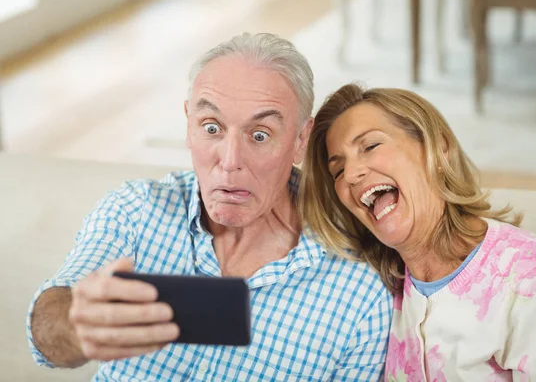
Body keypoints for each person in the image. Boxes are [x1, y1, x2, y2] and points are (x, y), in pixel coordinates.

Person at [27, 34, 393, 381]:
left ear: (300, 141)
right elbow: (48, 326)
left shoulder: (359, 292)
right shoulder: (135, 211)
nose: (230, 161)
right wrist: (77, 326)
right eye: (212, 127)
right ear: (189, 125)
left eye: (260, 135)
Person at [299, 83, 536, 381]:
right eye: (337, 170)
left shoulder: (530, 278)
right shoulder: (379, 289)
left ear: (438, 149)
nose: (350, 175)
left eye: (370, 146)